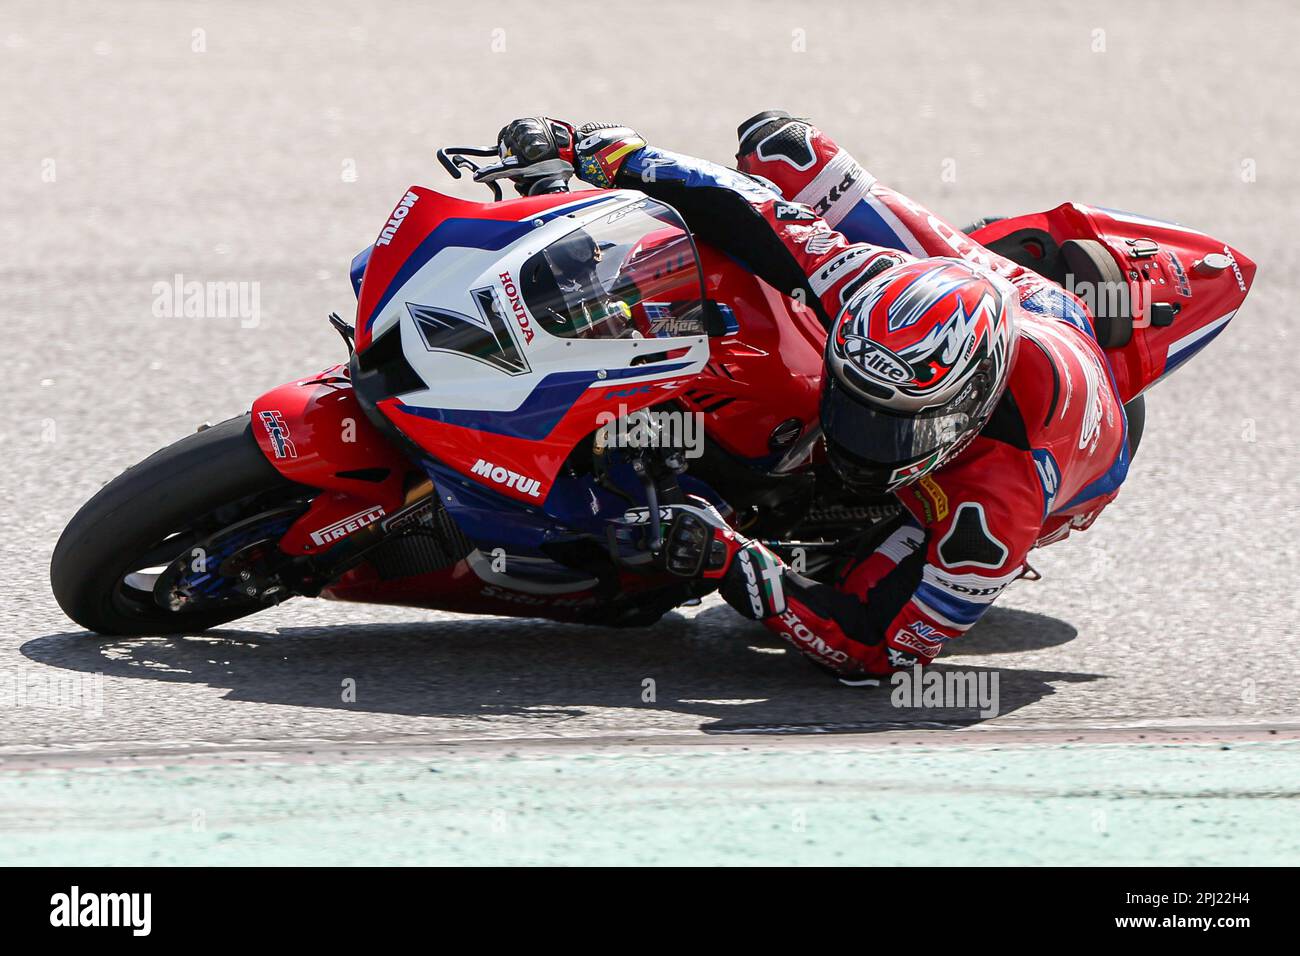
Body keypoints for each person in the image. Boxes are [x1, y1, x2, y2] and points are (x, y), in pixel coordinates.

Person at [476, 113, 1132, 679]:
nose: (857, 442)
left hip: (1067, 431)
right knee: (780, 146)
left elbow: (876, 654)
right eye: (854, 402)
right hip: (1005, 302)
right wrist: (601, 151)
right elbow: (753, 211)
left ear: (965, 412)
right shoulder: (863, 280)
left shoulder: (995, 510)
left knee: (842, 597)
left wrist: (732, 561)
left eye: (890, 427)